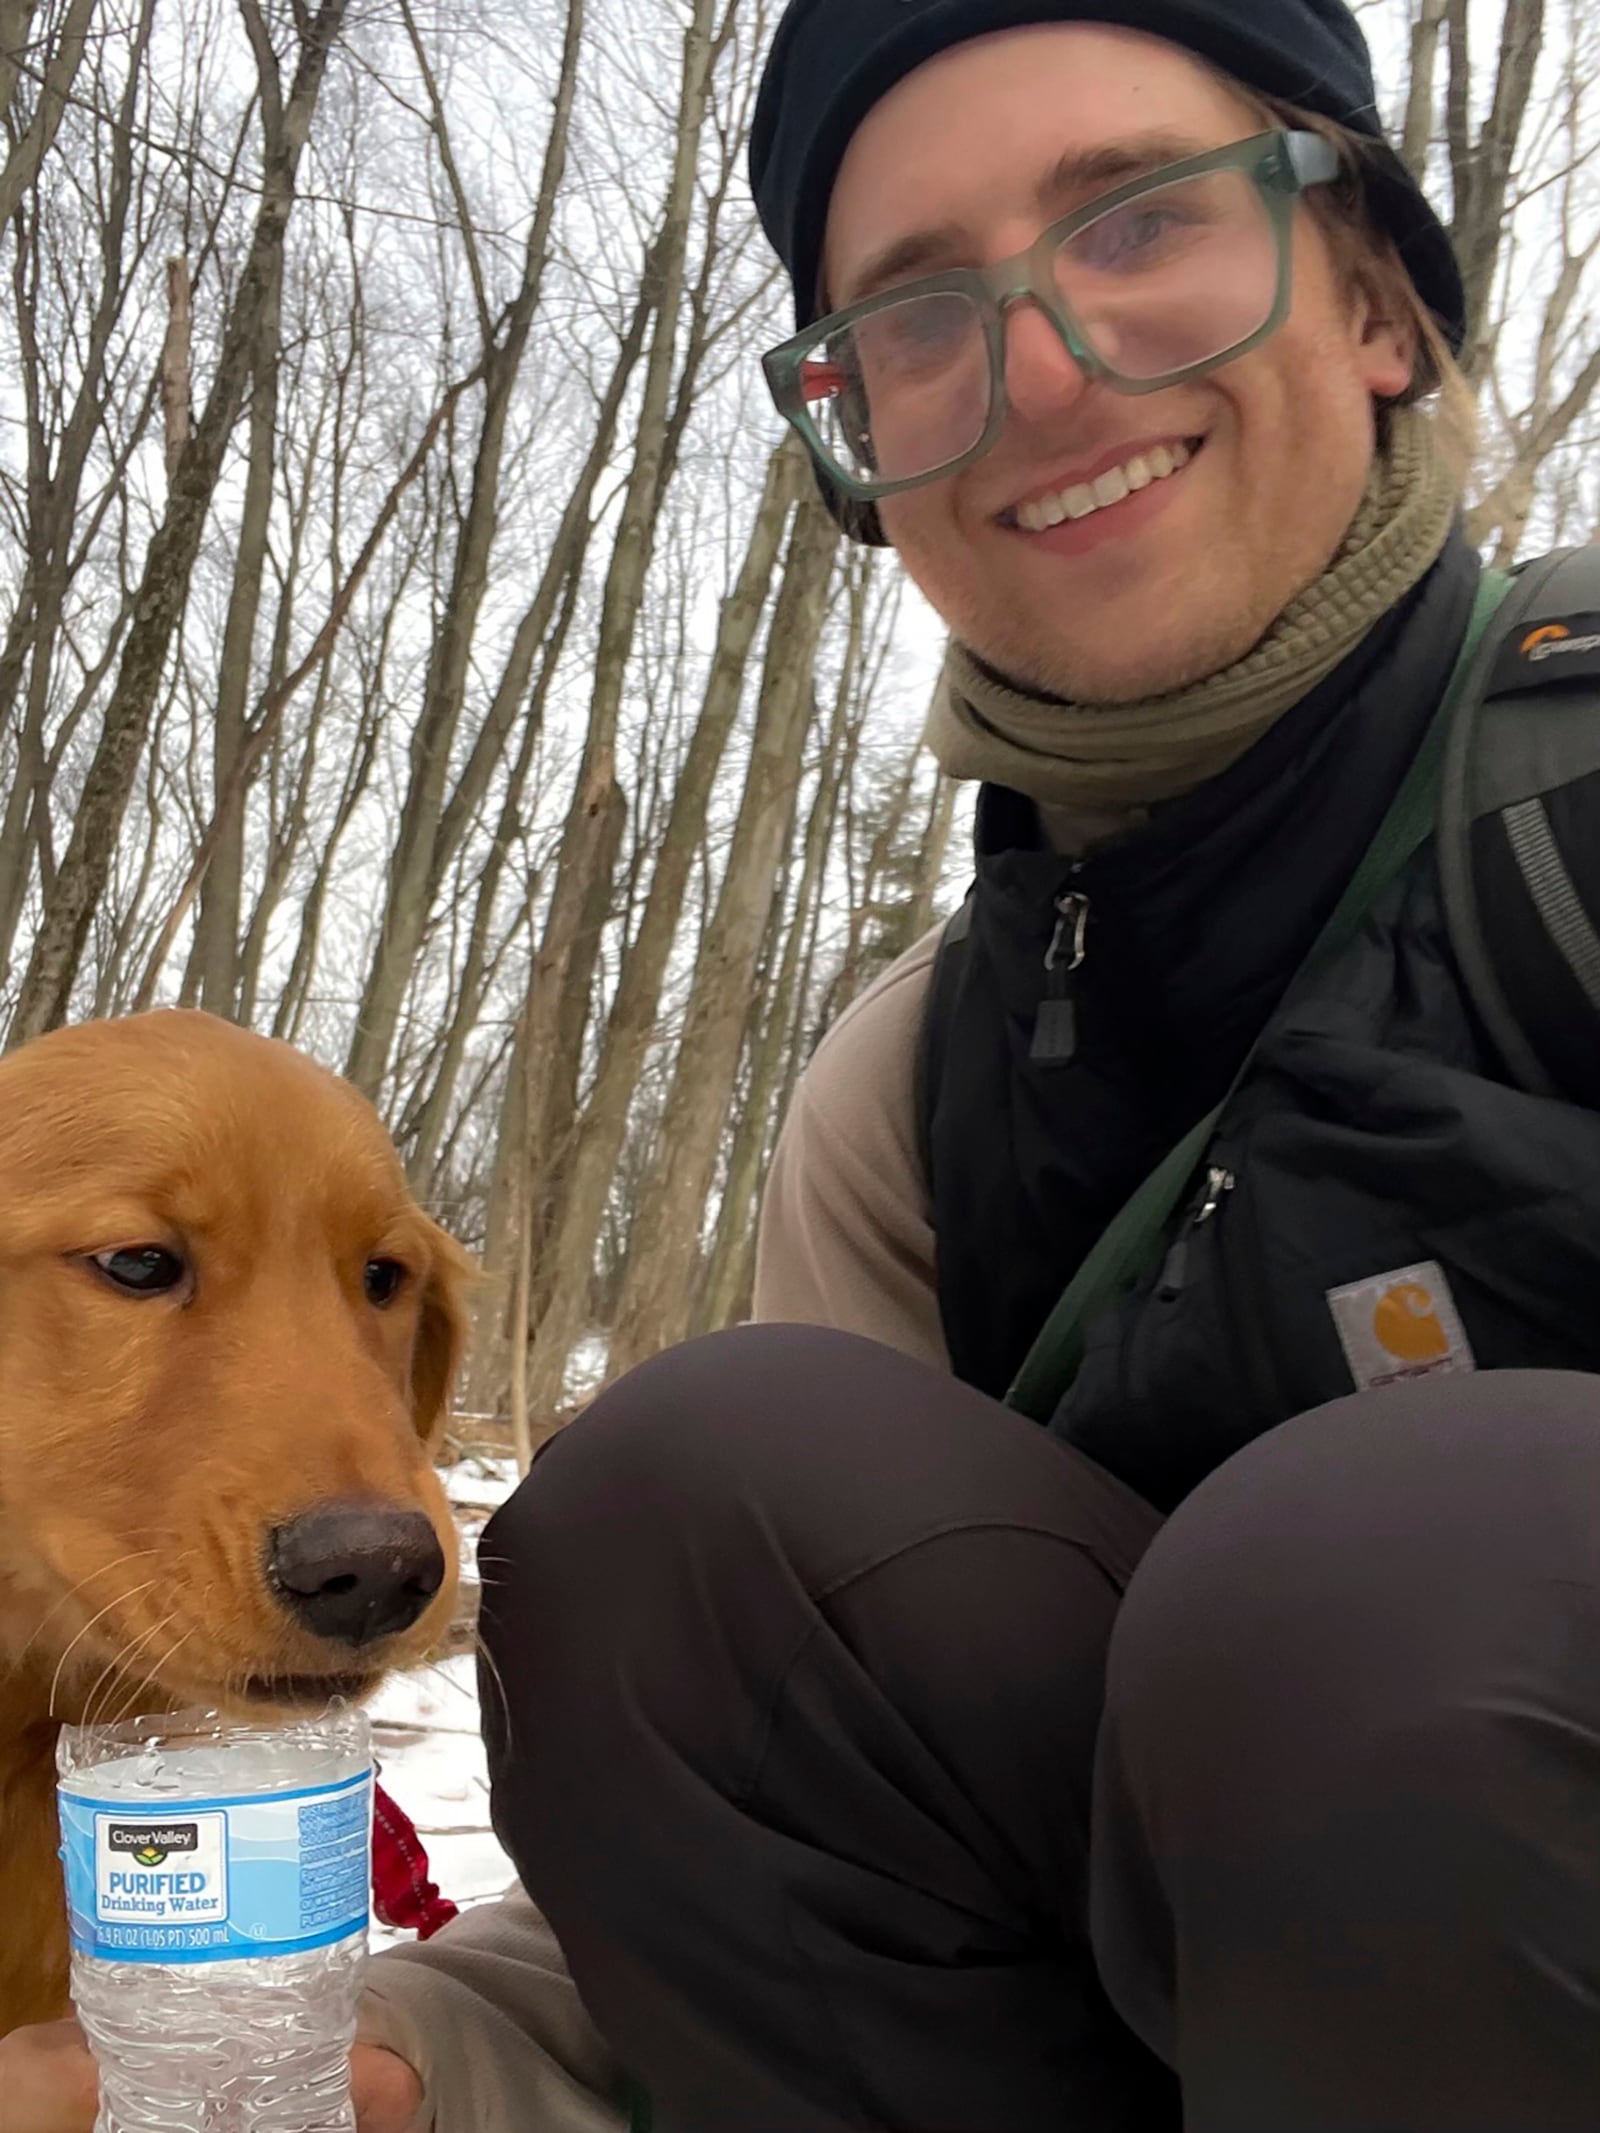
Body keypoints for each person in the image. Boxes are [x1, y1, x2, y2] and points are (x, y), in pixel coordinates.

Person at [10, 1, 1600, 2128]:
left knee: (1386, 1565)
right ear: (862, 444)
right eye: (915, 314)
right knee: (684, 1490)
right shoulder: (910, 1084)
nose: (1035, 364)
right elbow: (776, 1782)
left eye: (1137, 220)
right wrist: (389, 2060)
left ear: (1380, 297)